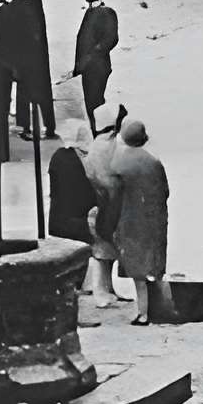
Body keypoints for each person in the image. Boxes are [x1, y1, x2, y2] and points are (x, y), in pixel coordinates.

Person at [98, 118, 169, 326]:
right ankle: (158, 306)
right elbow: (165, 192)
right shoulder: (154, 162)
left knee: (137, 269)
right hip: (154, 218)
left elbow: (112, 195)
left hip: (130, 220)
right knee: (153, 264)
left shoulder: (118, 164)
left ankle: (143, 313)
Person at [0, 0, 55, 142]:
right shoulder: (18, 6)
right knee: (26, 92)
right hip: (25, 59)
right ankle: (25, 126)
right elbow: (11, 36)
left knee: (41, 91)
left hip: (38, 58)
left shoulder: (36, 2)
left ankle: (47, 126)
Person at [83, 106, 131, 308]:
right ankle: (101, 290)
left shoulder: (98, 143)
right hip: (107, 202)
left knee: (107, 248)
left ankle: (107, 288)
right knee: (103, 249)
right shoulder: (108, 146)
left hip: (102, 200)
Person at [72, 0, 118, 132]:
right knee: (93, 107)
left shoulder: (107, 12)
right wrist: (79, 66)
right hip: (88, 69)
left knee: (96, 108)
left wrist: (92, 55)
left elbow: (111, 39)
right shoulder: (90, 11)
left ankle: (104, 141)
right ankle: (100, 141)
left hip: (98, 68)